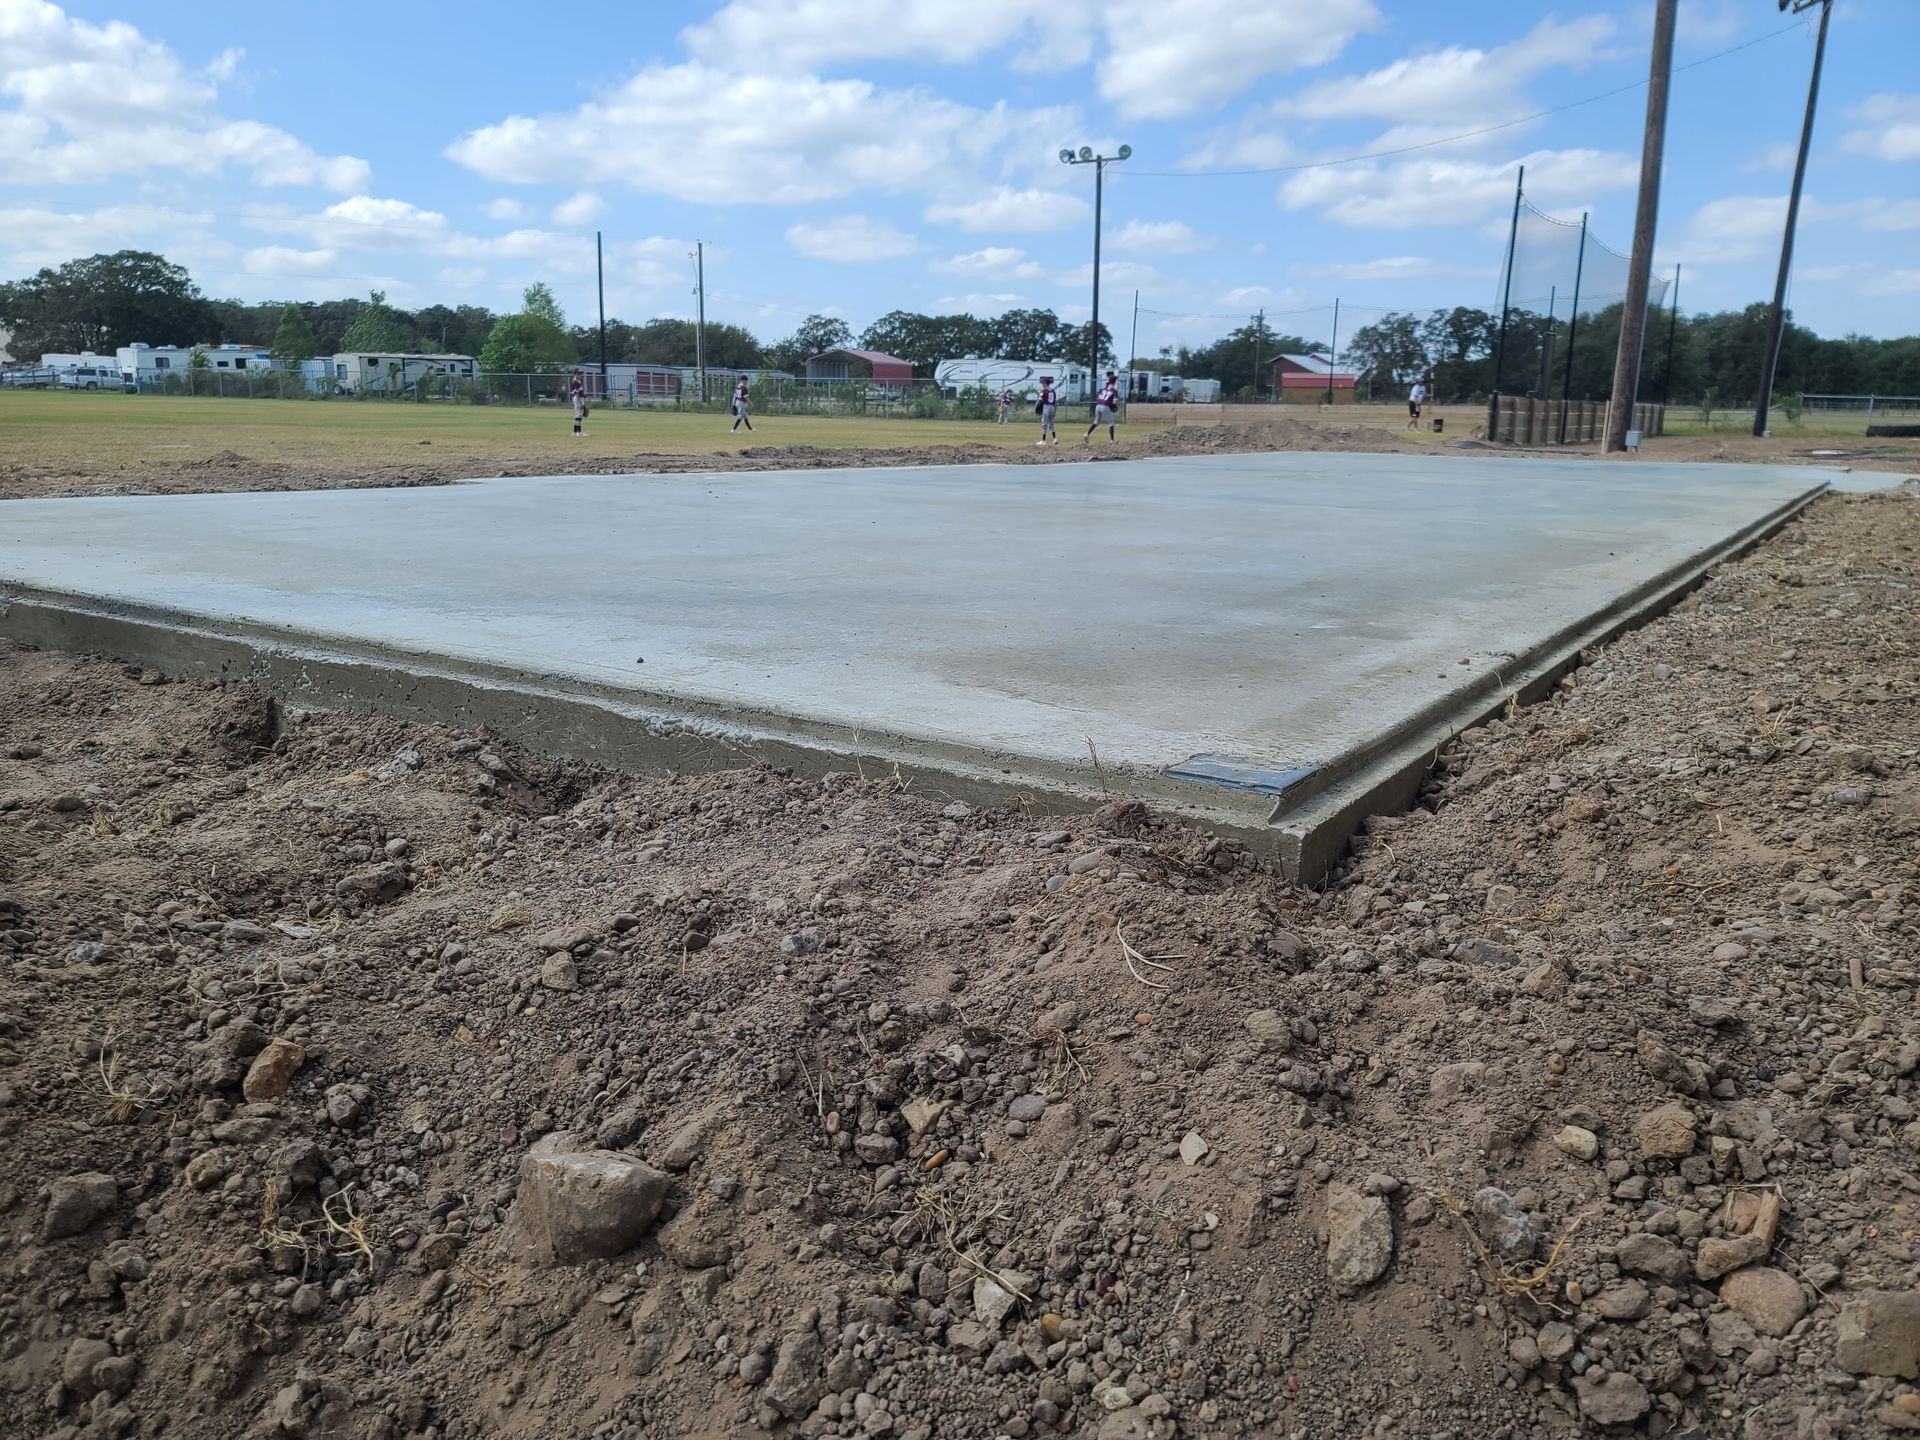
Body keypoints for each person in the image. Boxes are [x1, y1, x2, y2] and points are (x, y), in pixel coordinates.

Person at [1083, 370, 1121, 444]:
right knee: (1111, 423)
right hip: (1105, 406)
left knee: (1096, 422)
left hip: (1098, 406)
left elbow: (1099, 398)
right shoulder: (1114, 391)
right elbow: (1114, 402)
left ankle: (1087, 434)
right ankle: (1112, 441)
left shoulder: (1104, 389)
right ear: (1114, 382)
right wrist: (1113, 407)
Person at [1034, 376, 1057, 445]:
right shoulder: (1053, 391)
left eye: (1043, 383)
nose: (1042, 384)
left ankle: (1043, 441)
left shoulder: (1044, 390)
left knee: (1044, 424)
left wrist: (1035, 407)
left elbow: (1040, 400)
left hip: (1046, 406)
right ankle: (1055, 439)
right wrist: (1055, 411)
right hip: (1052, 407)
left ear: (1045, 383)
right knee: (1051, 423)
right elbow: (1055, 402)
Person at [568, 369, 587, 437]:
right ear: (575, 374)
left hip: (578, 398)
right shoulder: (576, 381)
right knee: (579, 415)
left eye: (580, 374)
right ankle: (578, 432)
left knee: (577, 415)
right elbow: (577, 393)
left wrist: (584, 395)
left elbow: (579, 391)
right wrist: (581, 402)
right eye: (579, 374)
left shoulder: (576, 381)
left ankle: (575, 432)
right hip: (578, 398)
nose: (580, 375)